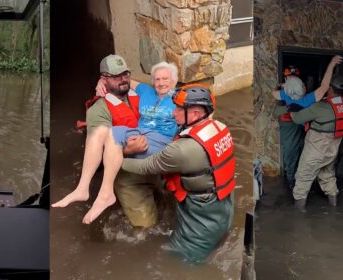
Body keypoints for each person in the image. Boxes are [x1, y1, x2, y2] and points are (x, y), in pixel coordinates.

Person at [53, 56, 178, 225]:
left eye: (125, 74)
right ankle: (91, 191)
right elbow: (99, 150)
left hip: (156, 160)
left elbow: (172, 92)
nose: (122, 79)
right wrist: (128, 150)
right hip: (129, 173)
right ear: (104, 79)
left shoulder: (144, 92)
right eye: (115, 76)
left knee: (168, 207)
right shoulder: (99, 109)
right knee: (146, 227)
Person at [121, 84, 235, 262]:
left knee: (173, 261)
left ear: (196, 113)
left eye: (179, 109)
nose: (173, 113)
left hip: (199, 229)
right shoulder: (221, 128)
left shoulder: (181, 150)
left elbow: (145, 167)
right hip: (222, 212)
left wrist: (117, 159)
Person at [271, 55, 343, 188]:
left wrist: (280, 86)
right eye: (303, 84)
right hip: (304, 127)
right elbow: (324, 86)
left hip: (293, 126)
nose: (305, 85)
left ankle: (292, 182)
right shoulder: (307, 99)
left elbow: (274, 93)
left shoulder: (286, 95)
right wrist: (331, 65)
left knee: (291, 155)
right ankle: (302, 182)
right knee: (303, 156)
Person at [291, 74, 343, 210]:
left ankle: (298, 217)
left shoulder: (321, 107)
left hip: (315, 151)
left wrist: (292, 109)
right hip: (331, 152)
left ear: (330, 88)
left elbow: (298, 119)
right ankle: (333, 208)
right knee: (328, 176)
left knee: (302, 179)